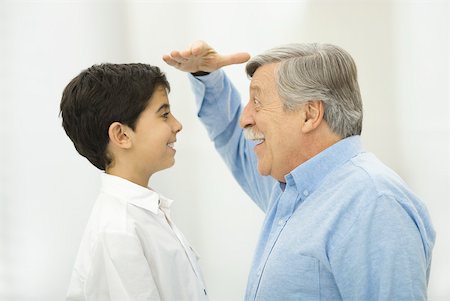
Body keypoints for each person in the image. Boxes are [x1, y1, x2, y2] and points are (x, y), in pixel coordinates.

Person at [163, 41, 436, 300]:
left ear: (309, 114)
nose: (246, 118)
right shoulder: (289, 187)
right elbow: (234, 139)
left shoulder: (374, 203)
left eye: (257, 102)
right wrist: (206, 76)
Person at [60, 63, 208, 301]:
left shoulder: (142, 214)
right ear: (121, 135)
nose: (177, 125)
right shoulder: (119, 230)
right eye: (164, 114)